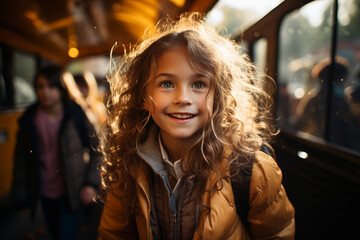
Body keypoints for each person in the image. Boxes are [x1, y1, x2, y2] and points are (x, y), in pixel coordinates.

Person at [97, 13, 295, 240]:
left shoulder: (253, 171)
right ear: (143, 96)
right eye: (167, 83)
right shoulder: (129, 166)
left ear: (217, 98)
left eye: (199, 84)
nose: (183, 98)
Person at [11, 65, 102, 240]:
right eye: (40, 86)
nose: (45, 91)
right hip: (44, 192)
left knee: (65, 235)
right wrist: (21, 197)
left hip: (72, 191)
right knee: (55, 233)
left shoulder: (76, 114)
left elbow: (98, 150)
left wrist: (90, 183)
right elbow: (21, 161)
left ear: (62, 88)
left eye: (51, 86)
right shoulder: (29, 119)